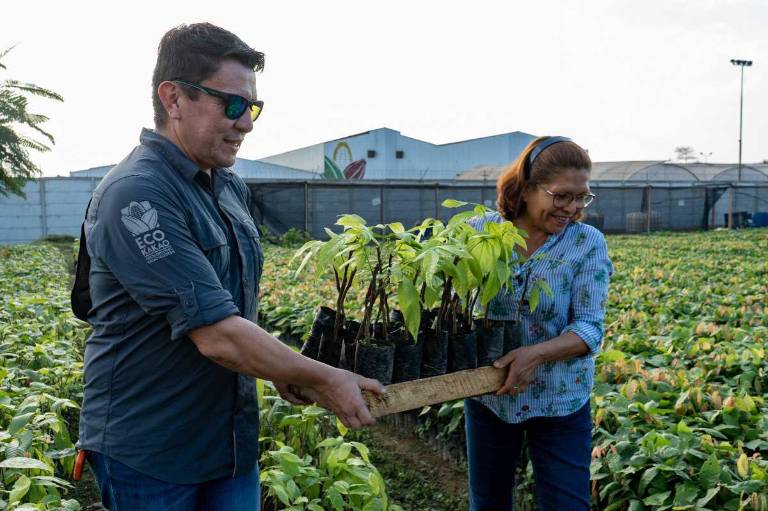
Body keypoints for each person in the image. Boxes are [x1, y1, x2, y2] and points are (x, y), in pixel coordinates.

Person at [75, 23, 383, 510]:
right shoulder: (136, 195)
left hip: (228, 441)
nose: (247, 124)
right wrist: (324, 377)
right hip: (151, 450)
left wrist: (282, 367)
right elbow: (217, 333)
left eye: (253, 108)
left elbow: (238, 305)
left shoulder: (227, 186)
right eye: (233, 105)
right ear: (173, 99)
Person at [465, 136, 613, 510]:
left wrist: (536, 355)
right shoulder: (480, 232)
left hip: (561, 399)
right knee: (488, 503)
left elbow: (590, 329)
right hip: (491, 396)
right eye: (561, 196)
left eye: (582, 197)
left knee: (567, 504)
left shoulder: (586, 243)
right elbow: (453, 303)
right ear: (528, 188)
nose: (573, 208)